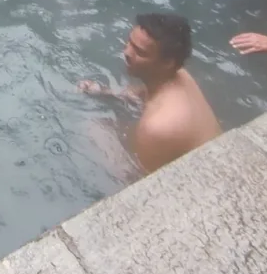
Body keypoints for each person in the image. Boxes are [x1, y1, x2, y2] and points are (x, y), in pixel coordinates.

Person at [79, 13, 221, 174]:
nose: (126, 52)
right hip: (214, 155)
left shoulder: (156, 127)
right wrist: (104, 93)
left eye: (139, 52)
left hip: (203, 181)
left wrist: (105, 138)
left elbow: (140, 183)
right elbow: (139, 94)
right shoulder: (178, 74)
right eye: (129, 42)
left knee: (95, 128)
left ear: (167, 62)